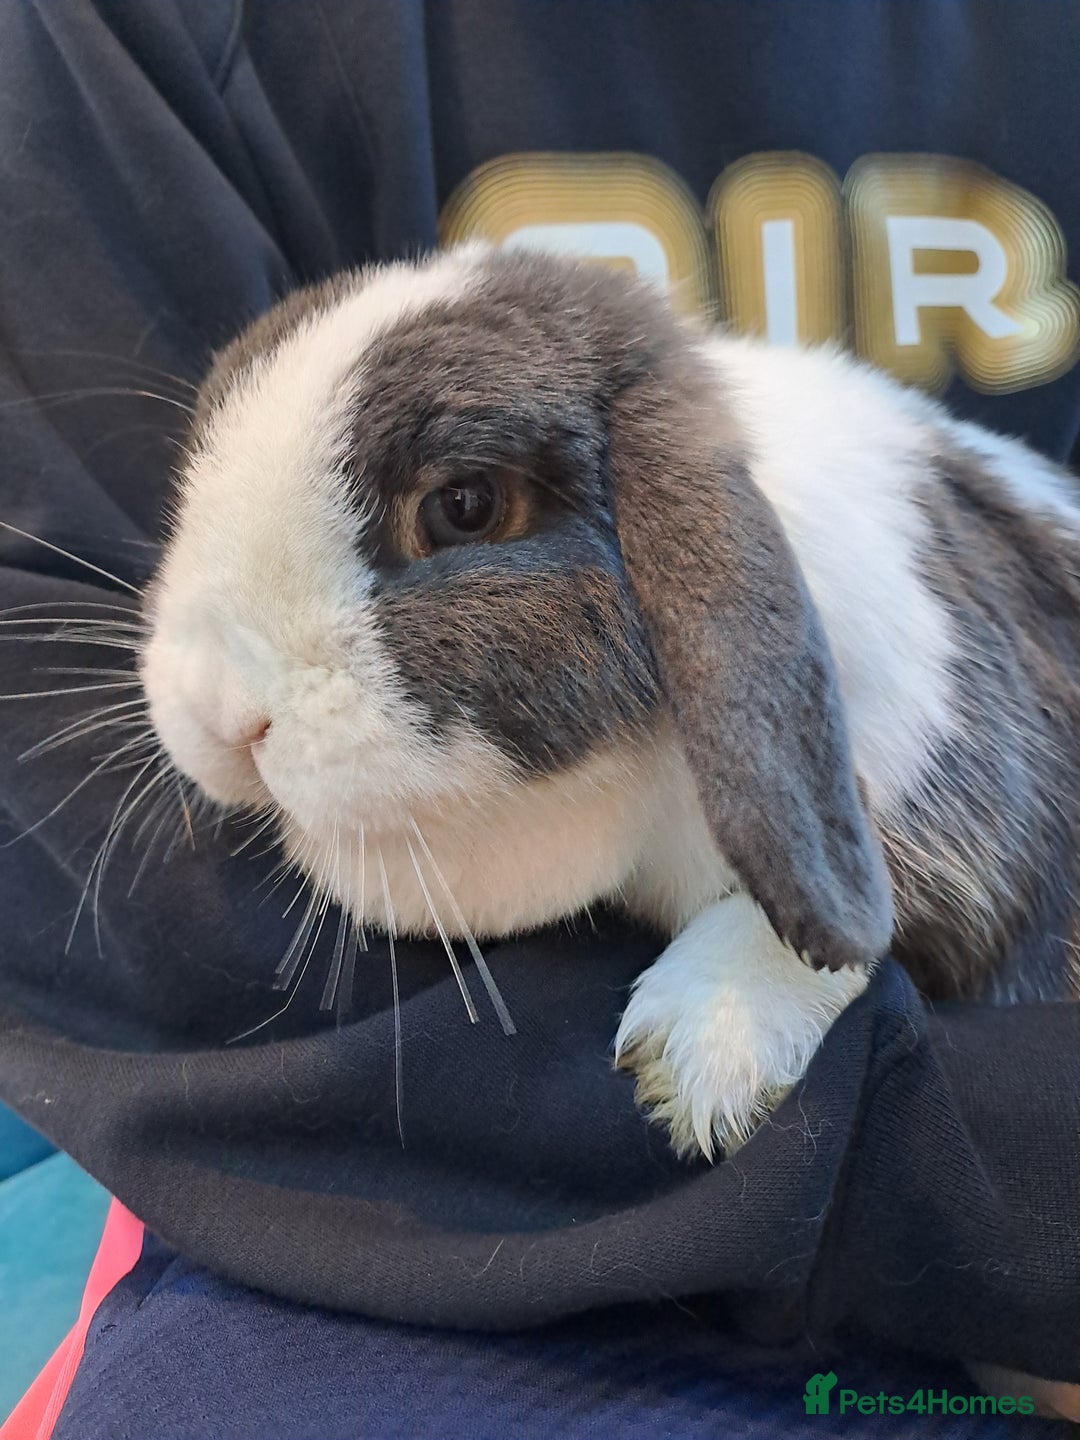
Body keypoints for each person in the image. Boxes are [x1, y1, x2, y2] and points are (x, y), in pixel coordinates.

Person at [1, 3, 1077, 1434]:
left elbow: (969, 873)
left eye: (462, 514)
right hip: (374, 1162)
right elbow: (117, 902)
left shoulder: (835, 602)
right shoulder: (145, 42)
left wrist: (795, 935)